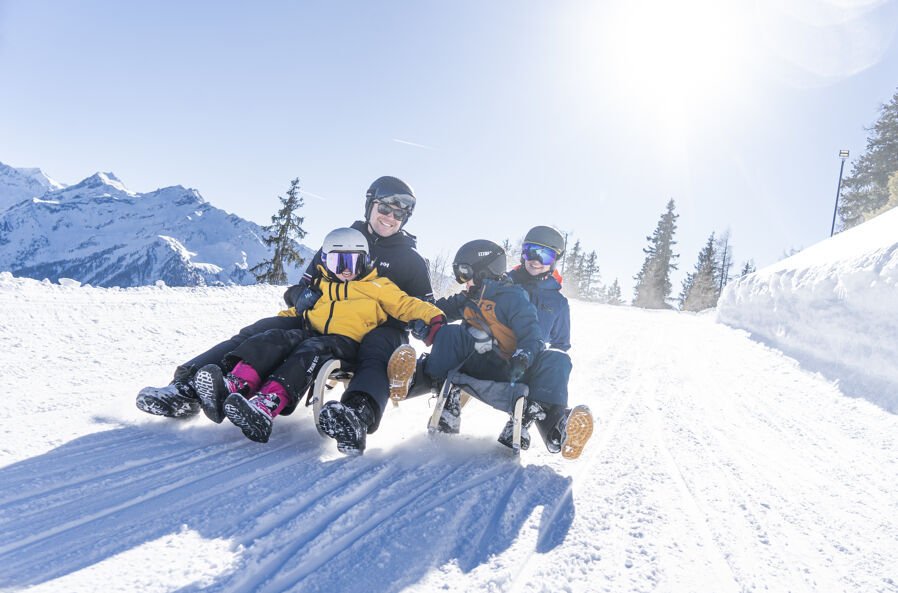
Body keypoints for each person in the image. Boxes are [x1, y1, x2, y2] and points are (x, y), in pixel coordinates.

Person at [136, 176, 434, 453]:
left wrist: (427, 323)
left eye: (398, 214)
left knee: (377, 346)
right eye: (384, 208)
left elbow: (422, 305)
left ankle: (357, 413)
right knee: (264, 330)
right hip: (325, 315)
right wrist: (300, 296)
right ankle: (188, 387)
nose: (390, 218)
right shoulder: (342, 239)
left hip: (379, 328)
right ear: (370, 205)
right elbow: (306, 285)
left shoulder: (410, 260)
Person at [189, 227, 444, 448]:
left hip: (348, 343)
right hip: (314, 332)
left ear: (365, 261)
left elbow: (408, 304)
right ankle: (235, 385)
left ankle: (268, 404)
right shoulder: (321, 285)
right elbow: (300, 310)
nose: (345, 271)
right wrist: (288, 312)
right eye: (337, 263)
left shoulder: (377, 286)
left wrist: (434, 318)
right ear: (325, 262)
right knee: (273, 337)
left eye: (353, 263)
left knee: (310, 348)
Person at [389, 239, 593, 459]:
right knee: (451, 334)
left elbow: (532, 336)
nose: (462, 281)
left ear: (484, 271)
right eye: (460, 275)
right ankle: (414, 384)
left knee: (558, 359)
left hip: (512, 368)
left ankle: (557, 429)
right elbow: (436, 311)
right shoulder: (469, 297)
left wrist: (523, 357)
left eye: (465, 274)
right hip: (481, 361)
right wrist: (420, 321)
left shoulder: (513, 297)